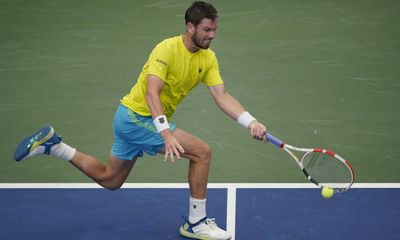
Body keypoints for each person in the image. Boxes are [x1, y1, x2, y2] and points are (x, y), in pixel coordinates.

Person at [13, 1, 266, 240]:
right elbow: (151, 92)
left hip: (132, 119)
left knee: (110, 180)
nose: (212, 35)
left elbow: (221, 96)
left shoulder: (208, 58)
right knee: (202, 153)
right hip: (137, 118)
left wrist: (250, 122)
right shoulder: (166, 49)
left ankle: (54, 146)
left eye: (214, 30)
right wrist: (165, 133)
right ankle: (196, 222)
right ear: (190, 27)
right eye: (207, 29)